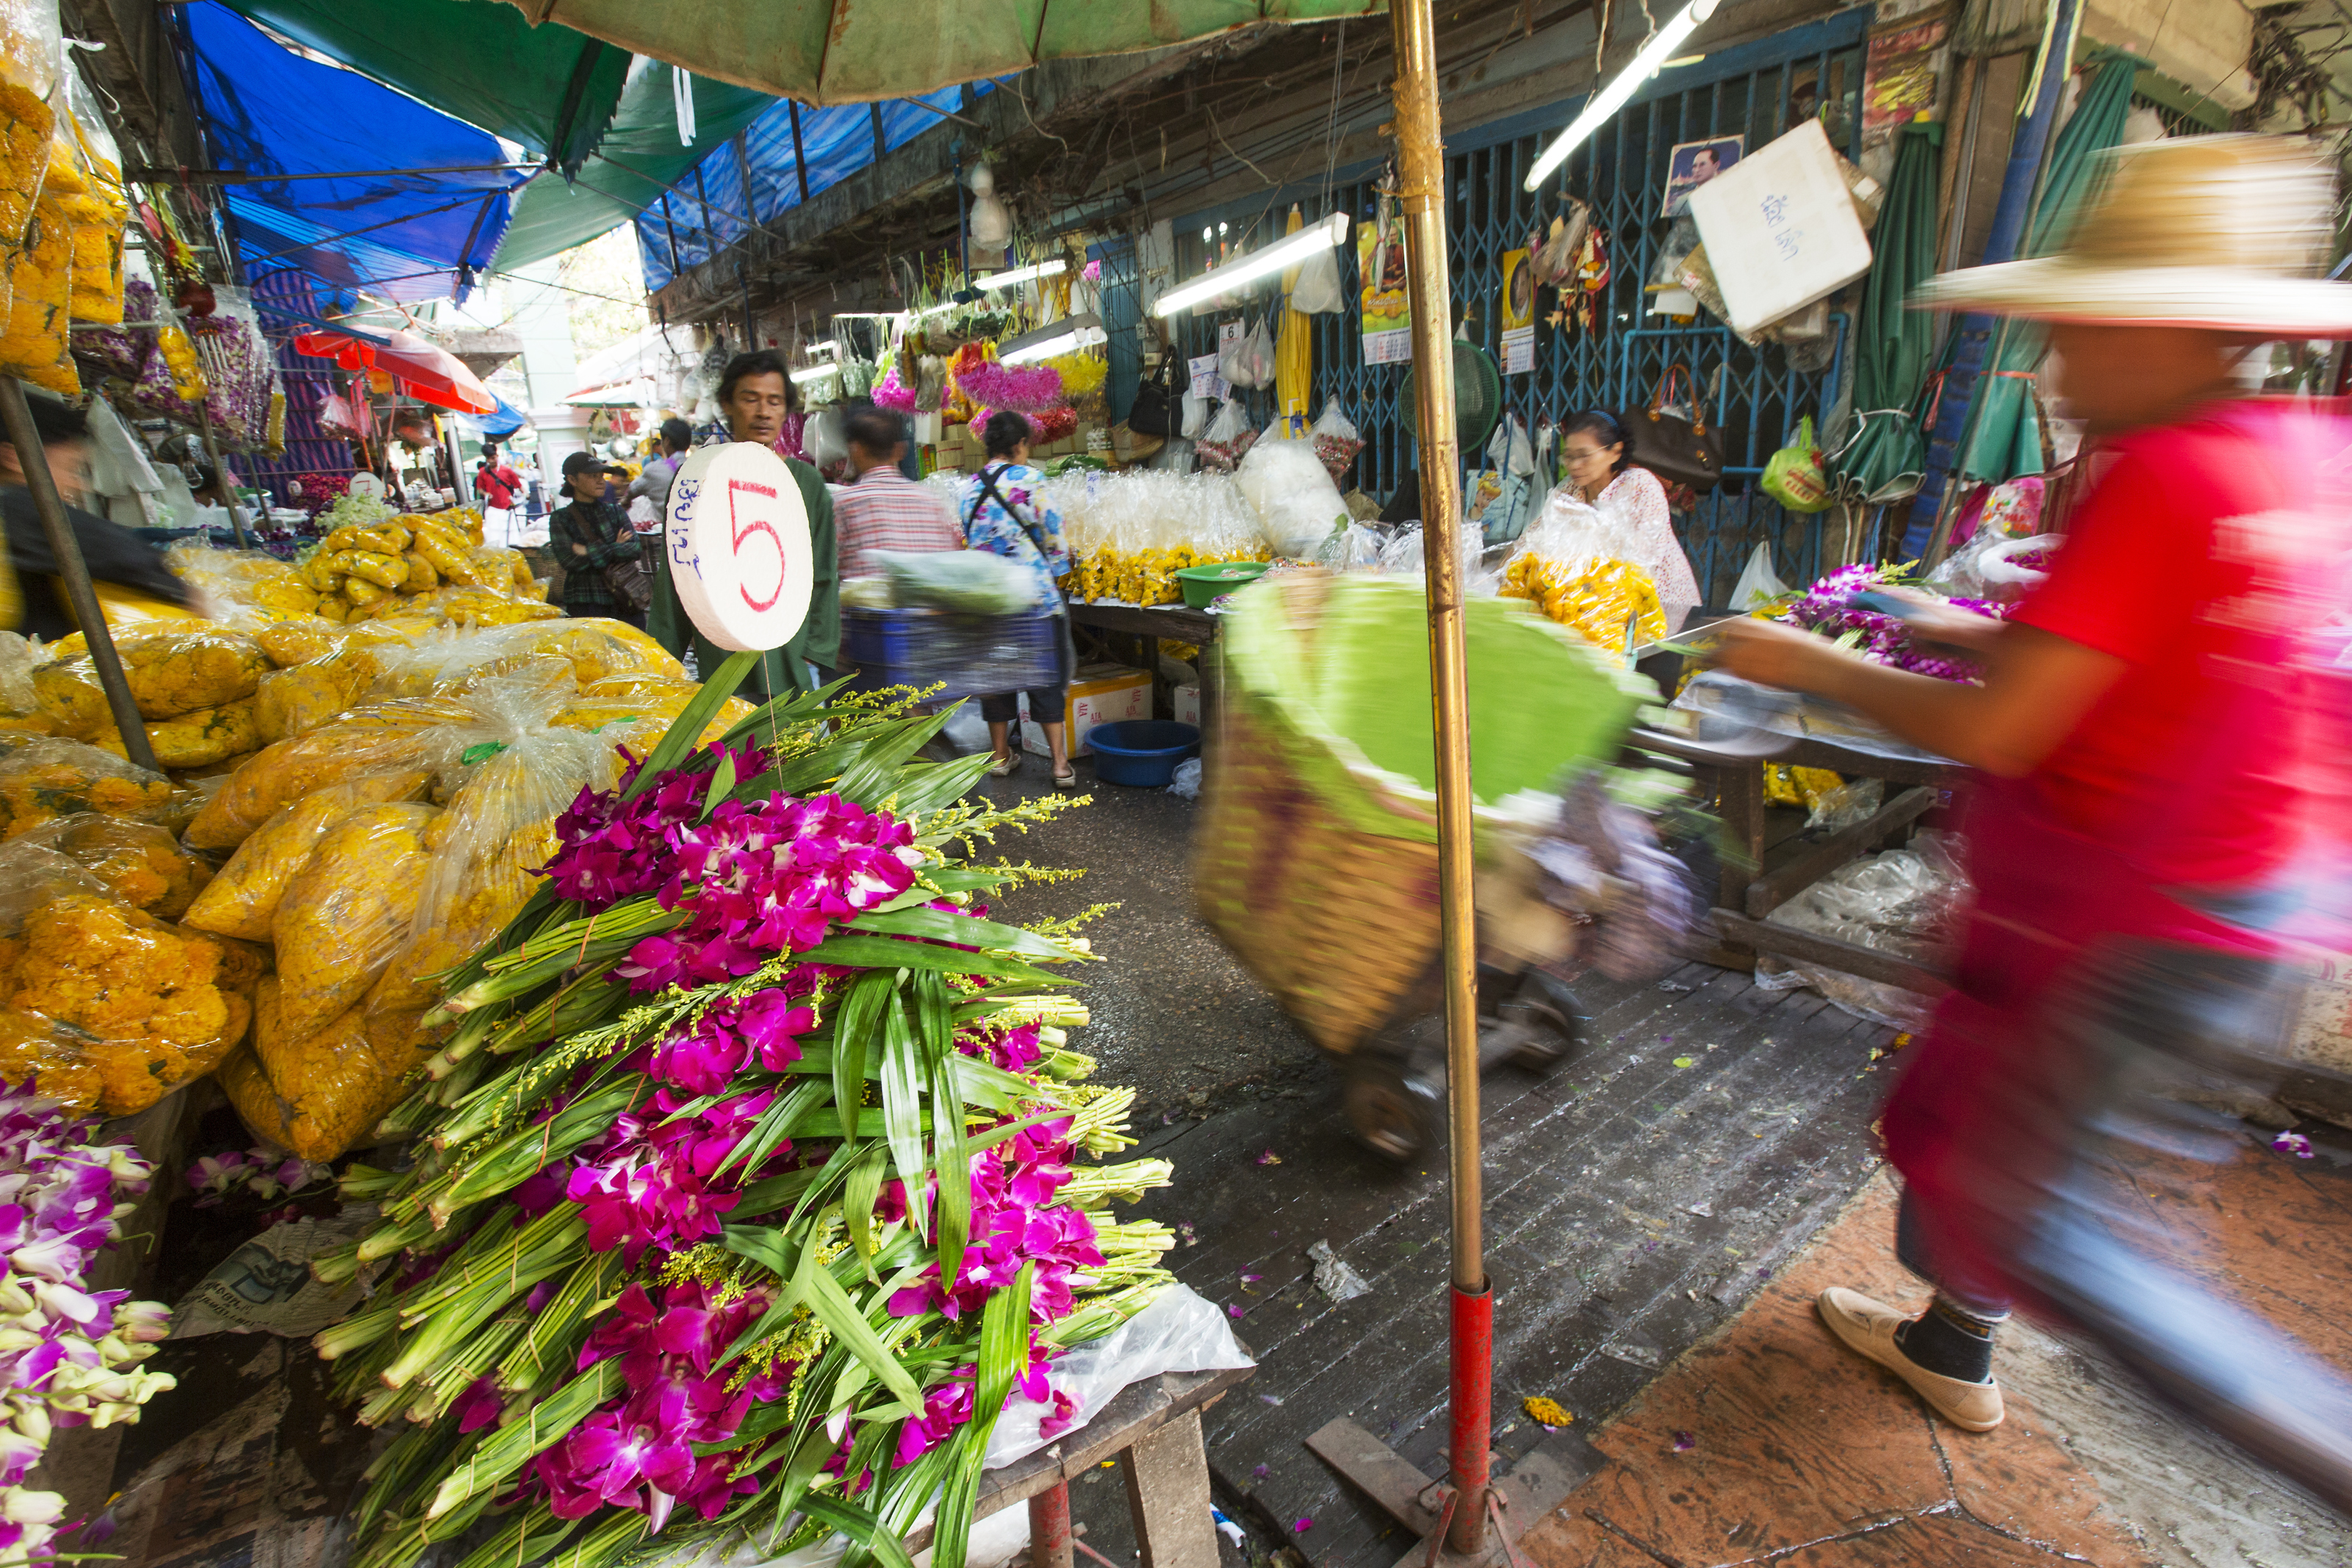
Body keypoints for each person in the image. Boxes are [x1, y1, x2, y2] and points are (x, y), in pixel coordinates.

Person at [1709, 137, 2352, 1500]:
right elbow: (2136, 657)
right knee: (2000, 1135)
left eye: (2075, 329)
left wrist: (1791, 658)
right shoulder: (2288, 454)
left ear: (2165, 330)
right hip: (2247, 910)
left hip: (2141, 922)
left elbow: (2001, 729)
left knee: (2048, 1227)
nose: (2052, 369)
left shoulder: (2167, 478)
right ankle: (1951, 1339)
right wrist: (1950, 621)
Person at [645, 350, 838, 701]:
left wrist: (813, 651)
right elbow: (676, 577)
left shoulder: (806, 483)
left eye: (775, 401)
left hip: (792, 657)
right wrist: (660, 665)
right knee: (733, 752)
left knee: (803, 750)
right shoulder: (697, 479)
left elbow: (823, 573)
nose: (763, 412)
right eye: (750, 399)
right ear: (727, 403)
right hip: (721, 658)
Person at [0, 396, 195, 641]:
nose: (79, 485)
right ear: (16, 458)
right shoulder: (19, 509)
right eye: (71, 469)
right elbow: (119, 553)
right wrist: (187, 592)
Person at [960, 411, 1075, 787]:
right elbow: (1054, 536)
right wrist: (1057, 571)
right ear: (1019, 444)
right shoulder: (1032, 480)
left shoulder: (970, 489)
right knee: (1045, 678)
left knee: (996, 679)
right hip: (1034, 600)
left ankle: (999, 757)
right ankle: (1059, 765)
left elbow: (970, 538)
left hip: (991, 603)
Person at [1558, 409, 1701, 630]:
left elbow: (1644, 558)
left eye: (1584, 455)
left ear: (1615, 452)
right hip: (1597, 608)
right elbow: (1533, 538)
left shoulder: (1640, 485)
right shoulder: (1568, 490)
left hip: (1660, 605)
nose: (1575, 465)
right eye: (1569, 456)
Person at [833, 405, 960, 578]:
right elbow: (951, 566)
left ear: (856, 449)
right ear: (899, 450)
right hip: (930, 605)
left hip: (868, 604)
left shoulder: (844, 504)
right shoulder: (931, 500)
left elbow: (827, 571)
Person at [548, 451, 646, 629]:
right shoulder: (561, 518)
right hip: (586, 603)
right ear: (572, 480)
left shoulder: (614, 511)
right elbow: (569, 560)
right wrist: (616, 547)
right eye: (592, 476)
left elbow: (635, 548)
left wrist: (588, 551)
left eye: (601, 475)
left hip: (624, 599)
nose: (601, 481)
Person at [627, 417, 694, 516]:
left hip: (669, 529)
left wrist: (626, 502)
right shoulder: (698, 467)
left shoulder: (653, 470)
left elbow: (632, 491)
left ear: (667, 441)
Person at [475, 442, 523, 512]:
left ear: (497, 456)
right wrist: (486, 494)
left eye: (493, 458)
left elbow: (519, 486)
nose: (491, 461)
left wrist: (525, 494)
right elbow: (480, 490)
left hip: (509, 507)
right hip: (492, 509)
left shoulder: (507, 470)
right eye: (488, 458)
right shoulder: (482, 472)